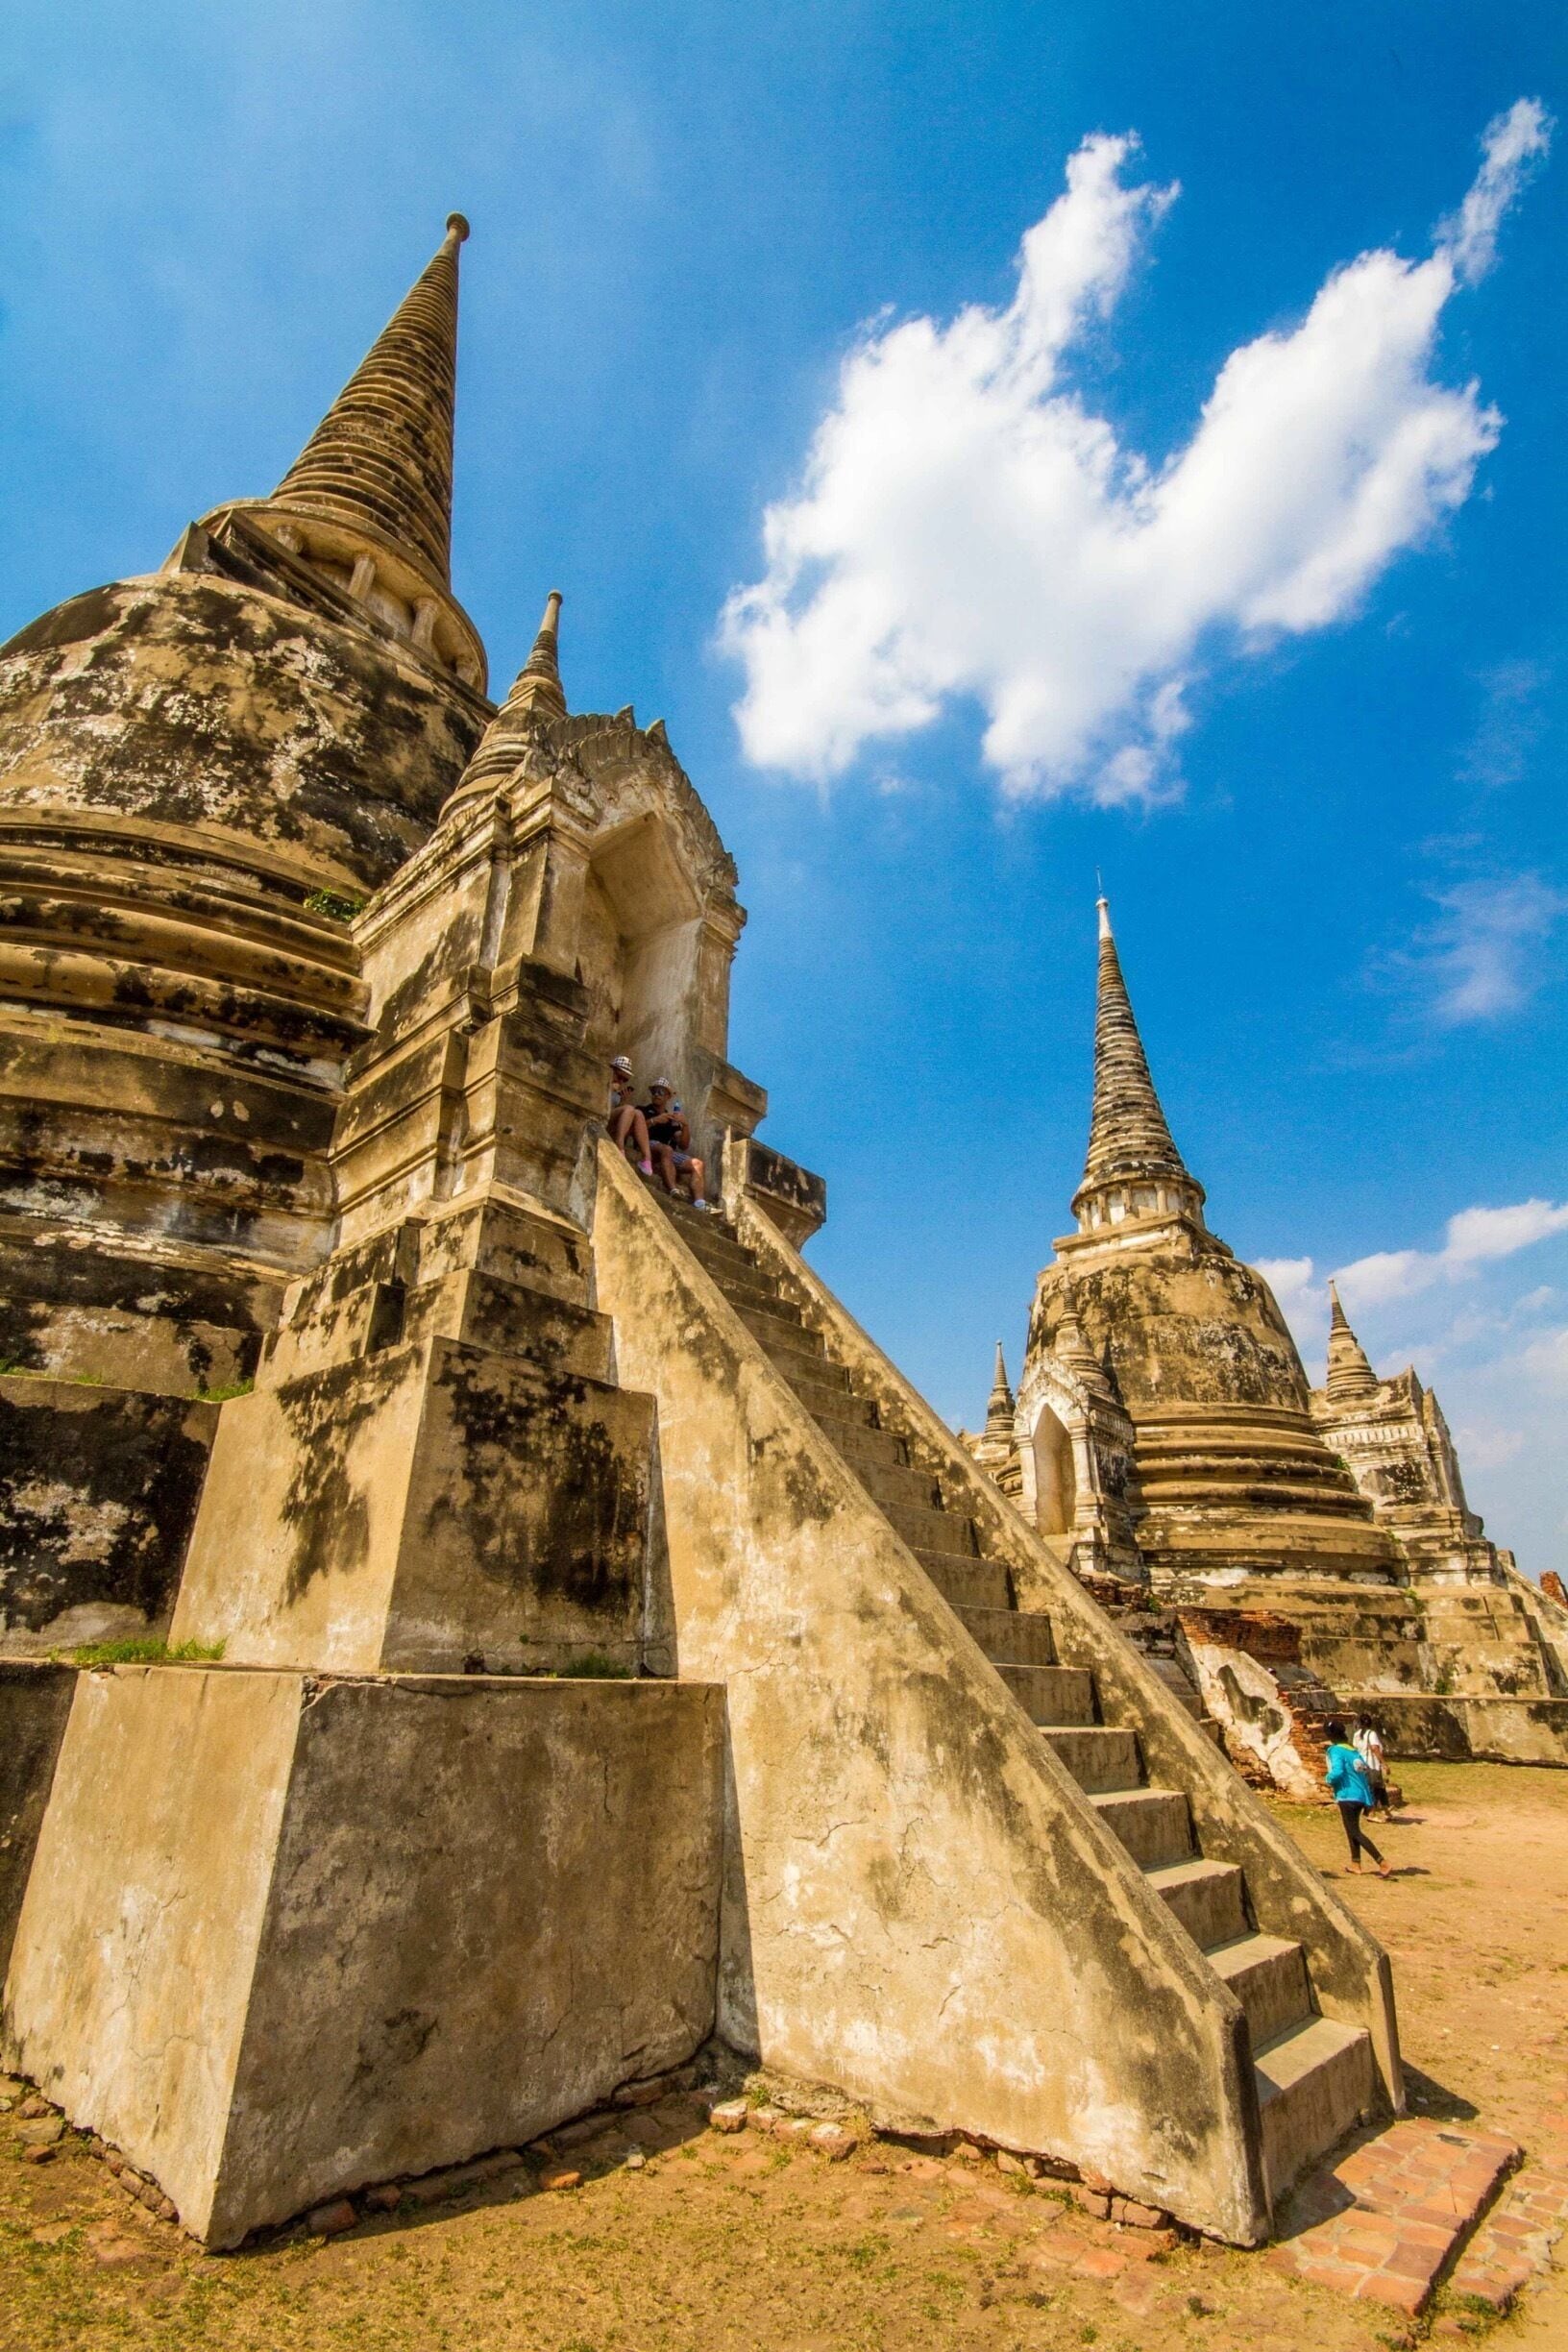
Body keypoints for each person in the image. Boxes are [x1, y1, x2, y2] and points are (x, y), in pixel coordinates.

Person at [1323, 1719, 1392, 1876]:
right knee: (1352, 1830)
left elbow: (1337, 1772)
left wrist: (1328, 1779)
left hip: (1347, 1795)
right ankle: (1356, 1863)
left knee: (1354, 1831)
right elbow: (1363, 1772)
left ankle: (1382, 1862)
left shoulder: (1335, 1750)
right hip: (1360, 1795)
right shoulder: (1353, 1751)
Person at [641, 1079, 710, 1210]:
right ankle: (673, 1189)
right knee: (667, 1149)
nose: (657, 1094)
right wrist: (654, 1121)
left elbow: (683, 1145)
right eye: (654, 1091)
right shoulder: (643, 1110)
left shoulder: (671, 1120)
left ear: (668, 1096)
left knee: (698, 1164)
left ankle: (700, 1202)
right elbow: (635, 1128)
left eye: (661, 1092)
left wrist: (685, 1125)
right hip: (647, 1145)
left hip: (667, 1152)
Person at [606, 1055, 653, 1176]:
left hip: (611, 1125)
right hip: (601, 1121)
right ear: (611, 1070)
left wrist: (623, 1101)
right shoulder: (599, 1082)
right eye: (619, 1077)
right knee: (629, 1109)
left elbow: (617, 1113)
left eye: (625, 1080)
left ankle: (647, 1159)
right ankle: (619, 1146)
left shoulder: (617, 1095)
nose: (621, 1082)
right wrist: (608, 1088)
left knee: (637, 1113)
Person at [1354, 1715, 1390, 1818]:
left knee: (1379, 1786)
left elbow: (1356, 1749)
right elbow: (1375, 1748)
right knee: (1374, 1788)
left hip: (1362, 1763)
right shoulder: (1371, 1734)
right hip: (1372, 1764)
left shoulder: (1356, 1734)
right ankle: (1371, 1812)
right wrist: (1384, 1763)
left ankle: (1385, 1810)